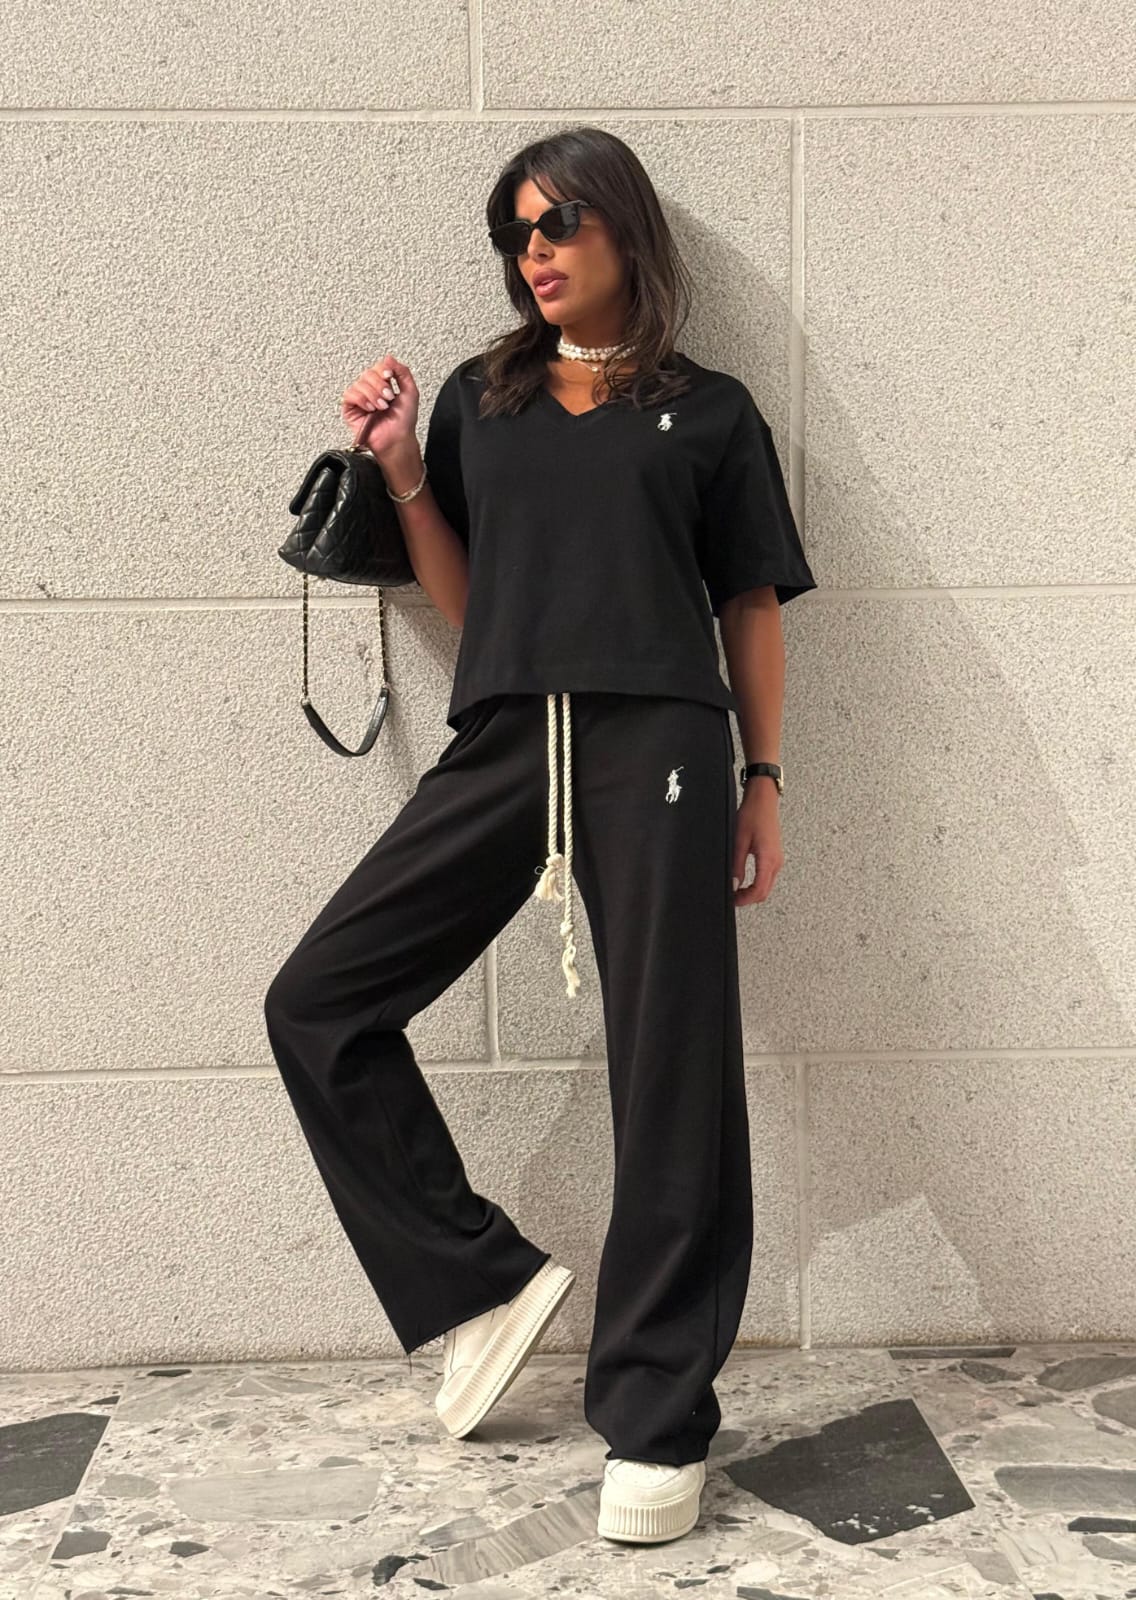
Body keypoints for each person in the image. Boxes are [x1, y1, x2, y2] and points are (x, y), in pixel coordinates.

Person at [263, 123, 817, 1548]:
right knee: (318, 1002)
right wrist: (402, 467)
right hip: (509, 735)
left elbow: (750, 603)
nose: (536, 252)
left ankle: (658, 1422)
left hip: (663, 747)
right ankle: (480, 1282)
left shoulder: (712, 413)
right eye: (517, 233)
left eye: (560, 222)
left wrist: (762, 778)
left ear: (626, 228)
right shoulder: (482, 398)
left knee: (671, 1073)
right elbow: (472, 600)